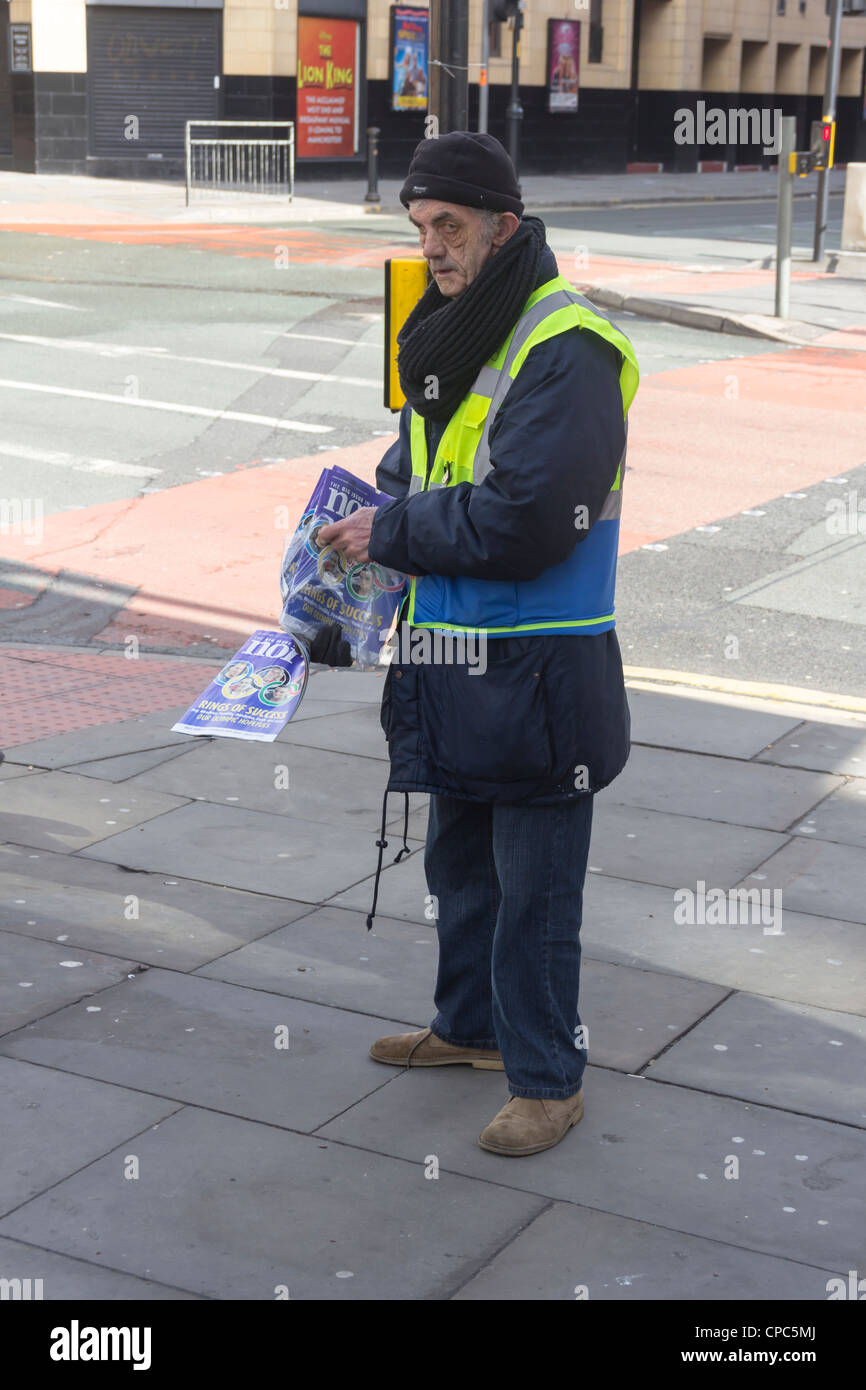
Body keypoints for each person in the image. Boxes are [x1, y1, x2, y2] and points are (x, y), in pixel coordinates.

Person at [316, 131, 639, 1158]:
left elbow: (533, 517)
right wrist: (364, 511)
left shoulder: (567, 344)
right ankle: (468, 1029)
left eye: (448, 228)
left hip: (542, 669)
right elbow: (421, 456)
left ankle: (548, 1079)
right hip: (451, 656)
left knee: (535, 888)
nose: (433, 249)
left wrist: (394, 529)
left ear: (504, 225)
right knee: (462, 868)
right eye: (418, 230)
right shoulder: (451, 329)